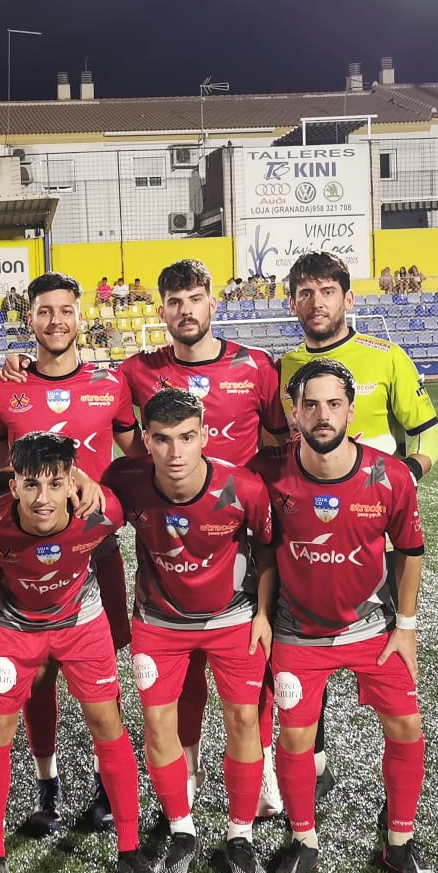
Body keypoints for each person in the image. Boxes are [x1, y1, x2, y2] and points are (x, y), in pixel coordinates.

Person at [0, 432, 160, 873]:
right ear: (14, 485)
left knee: (108, 722)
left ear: (72, 484)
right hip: (10, 628)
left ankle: (129, 850)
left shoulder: (102, 516)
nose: (43, 498)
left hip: (82, 624)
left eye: (56, 483)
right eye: (30, 484)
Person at [253, 359, 438, 873]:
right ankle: (302, 839)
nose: (322, 414)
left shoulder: (391, 476)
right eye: (310, 404)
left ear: (351, 411)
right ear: (294, 413)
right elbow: (260, 547)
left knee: (406, 727)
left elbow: (410, 551)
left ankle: (399, 840)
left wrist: (406, 625)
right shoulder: (270, 473)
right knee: (295, 739)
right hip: (297, 633)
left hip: (372, 630)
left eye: (334, 404)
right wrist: (262, 616)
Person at [119, 258, 290, 817]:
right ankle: (186, 771)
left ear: (212, 301)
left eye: (194, 297)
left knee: (251, 663)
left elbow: (278, 443)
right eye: (173, 301)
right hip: (171, 534)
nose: (185, 310)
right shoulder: (137, 371)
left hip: (239, 530)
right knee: (182, 661)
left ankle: (261, 766)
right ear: (161, 309)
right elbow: (98, 410)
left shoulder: (256, 367)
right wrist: (19, 363)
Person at [277, 250, 438, 801]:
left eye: (326, 291)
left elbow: (430, 434)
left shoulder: (386, 356)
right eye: (304, 292)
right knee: (304, 638)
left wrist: (406, 478)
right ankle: (316, 760)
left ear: (348, 298)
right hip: (308, 528)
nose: (316, 302)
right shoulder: (283, 368)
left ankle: (398, 794)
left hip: (380, 531)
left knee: (389, 645)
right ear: (294, 302)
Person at [104, 388, 277, 873]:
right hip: (159, 623)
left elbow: (268, 552)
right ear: (145, 441)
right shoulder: (124, 480)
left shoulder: (243, 488)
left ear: (204, 435)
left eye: (186, 438)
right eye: (161, 440)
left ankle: (240, 835)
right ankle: (182, 829)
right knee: (159, 727)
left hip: (232, 619)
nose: (175, 453)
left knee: (244, 718)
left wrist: (264, 614)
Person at [0, 273, 137, 831]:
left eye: (65, 310)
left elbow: (135, 456)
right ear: (29, 320)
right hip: (27, 554)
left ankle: (105, 786)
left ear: (80, 316)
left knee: (104, 673)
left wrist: (106, 495)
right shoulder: (5, 388)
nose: (55, 321)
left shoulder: (110, 384)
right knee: (38, 677)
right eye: (44, 312)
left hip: (97, 549)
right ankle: (47, 785)